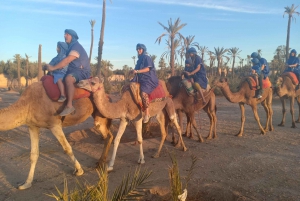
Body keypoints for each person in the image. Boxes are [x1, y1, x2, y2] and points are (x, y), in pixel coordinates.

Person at [45, 29, 91, 116]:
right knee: (57, 78)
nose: (65, 36)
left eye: (67, 34)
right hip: (72, 70)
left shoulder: (76, 47)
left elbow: (67, 60)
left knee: (68, 79)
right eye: (64, 34)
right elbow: (62, 61)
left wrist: (53, 67)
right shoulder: (69, 47)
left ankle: (69, 105)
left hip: (81, 71)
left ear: (72, 37)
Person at [132, 43, 159, 123]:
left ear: (143, 49)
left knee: (143, 92)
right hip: (141, 78)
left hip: (148, 79)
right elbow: (137, 70)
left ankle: (147, 113)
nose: (138, 50)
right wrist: (133, 71)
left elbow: (147, 69)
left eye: (140, 49)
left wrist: (137, 71)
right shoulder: (139, 59)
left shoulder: (146, 57)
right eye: (137, 49)